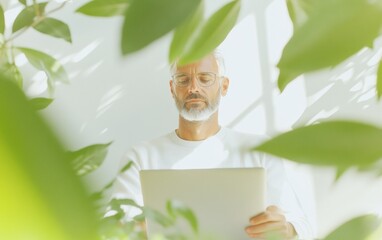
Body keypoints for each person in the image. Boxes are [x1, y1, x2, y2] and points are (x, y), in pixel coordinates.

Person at [110, 52, 316, 239]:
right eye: (183, 80)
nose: (193, 88)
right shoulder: (140, 157)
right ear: (172, 89)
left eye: (205, 78)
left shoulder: (259, 150)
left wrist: (287, 229)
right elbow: (112, 227)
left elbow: (303, 226)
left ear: (224, 86)